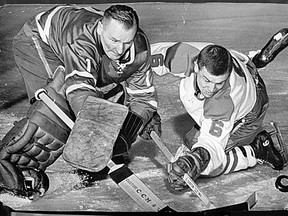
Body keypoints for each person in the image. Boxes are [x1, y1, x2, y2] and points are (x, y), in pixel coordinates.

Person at [0, 4, 161, 199]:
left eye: (127, 42)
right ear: (101, 28)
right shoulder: (81, 39)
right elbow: (80, 91)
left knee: (111, 95)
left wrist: (126, 132)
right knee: (57, 106)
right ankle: (7, 169)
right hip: (40, 42)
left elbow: (143, 98)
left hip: (86, 52)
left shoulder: (139, 48)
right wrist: (101, 134)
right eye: (114, 40)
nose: (120, 49)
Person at [150, 28, 288, 192]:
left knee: (194, 160)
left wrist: (197, 160)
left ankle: (256, 149)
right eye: (207, 80)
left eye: (219, 83)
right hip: (242, 68)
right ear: (196, 65)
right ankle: (254, 62)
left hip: (249, 113)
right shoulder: (184, 55)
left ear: (227, 76)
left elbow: (212, 145)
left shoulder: (223, 102)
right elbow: (141, 59)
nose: (211, 89)